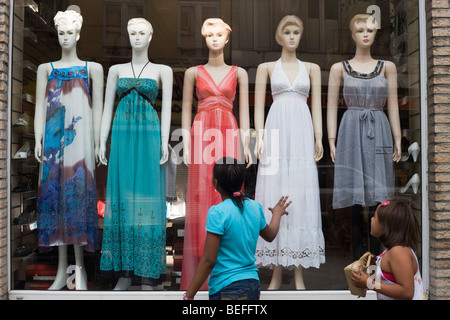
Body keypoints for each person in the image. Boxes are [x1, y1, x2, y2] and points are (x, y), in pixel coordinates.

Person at [98, 18, 173, 290]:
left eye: (142, 33)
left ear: (151, 37)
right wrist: (101, 140)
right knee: (122, 193)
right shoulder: (116, 70)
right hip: (121, 134)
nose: (137, 38)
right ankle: (124, 272)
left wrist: (165, 141)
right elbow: (107, 107)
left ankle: (146, 272)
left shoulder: (163, 70)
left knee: (147, 195)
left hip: (149, 134)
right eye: (132, 33)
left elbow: (166, 111)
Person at [253, 15, 325, 290]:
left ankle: (297, 273)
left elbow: (316, 105)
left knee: (300, 195)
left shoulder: (313, 68)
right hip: (276, 133)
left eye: (297, 31)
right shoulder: (266, 67)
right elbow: (258, 108)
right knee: (275, 192)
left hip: (302, 135)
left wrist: (320, 138)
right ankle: (276, 271)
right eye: (287, 31)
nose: (293, 36)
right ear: (279, 36)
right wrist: (259, 138)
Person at [34, 7, 103, 290]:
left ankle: (78, 271)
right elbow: (40, 108)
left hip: (81, 144)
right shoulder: (45, 69)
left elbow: (97, 110)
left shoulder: (92, 69)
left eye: (70, 33)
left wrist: (97, 143)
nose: (65, 38)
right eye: (61, 33)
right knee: (56, 198)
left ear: (78, 34)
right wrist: (39, 138)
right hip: (52, 143)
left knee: (77, 199)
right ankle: (62, 271)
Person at [180, 18, 251, 291]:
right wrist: (186, 142)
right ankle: (203, 269)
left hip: (228, 132)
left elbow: (243, 113)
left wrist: (246, 145)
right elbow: (187, 109)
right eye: (209, 35)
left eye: (219, 34)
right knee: (201, 195)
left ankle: (229, 270)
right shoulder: (192, 73)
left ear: (227, 37)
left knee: (231, 195)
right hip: (201, 134)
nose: (214, 39)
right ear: (204, 38)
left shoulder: (239, 72)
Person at [327, 14, 402, 260]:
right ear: (352, 35)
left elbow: (392, 105)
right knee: (356, 202)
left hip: (379, 130)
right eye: (360, 30)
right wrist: (330, 140)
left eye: (370, 29)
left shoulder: (387, 67)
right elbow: (330, 107)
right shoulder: (339, 69)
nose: (366, 34)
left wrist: (398, 138)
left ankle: (380, 259)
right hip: (350, 132)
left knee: (380, 200)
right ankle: (357, 261)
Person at [183, 157, 291, 300]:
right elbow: (270, 236)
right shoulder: (254, 207)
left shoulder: (218, 212)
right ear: (241, 182)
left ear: (215, 183)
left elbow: (209, 260)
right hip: (252, 285)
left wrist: (189, 296)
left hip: (227, 287)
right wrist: (277, 214)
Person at [351, 199, 426, 300]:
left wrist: (369, 283)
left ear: (386, 226)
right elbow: (383, 283)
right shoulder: (389, 250)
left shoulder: (399, 252)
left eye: (375, 217)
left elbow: (407, 292)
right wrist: (372, 266)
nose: (371, 219)